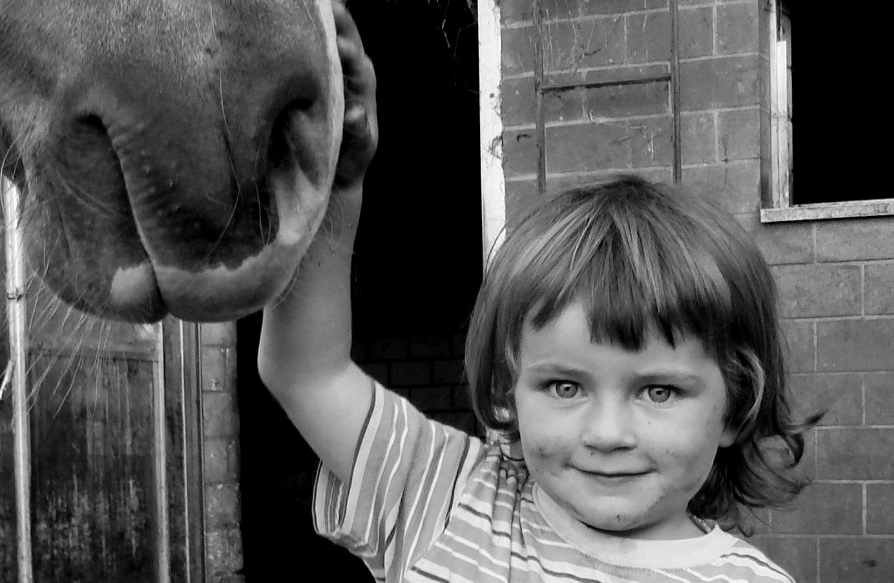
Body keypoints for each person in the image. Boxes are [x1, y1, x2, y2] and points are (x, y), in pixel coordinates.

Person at [258, 3, 816, 581]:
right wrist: (328, 174)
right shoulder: (444, 497)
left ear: (737, 404)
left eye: (659, 392)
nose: (606, 435)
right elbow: (306, 372)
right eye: (564, 385)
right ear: (508, 391)